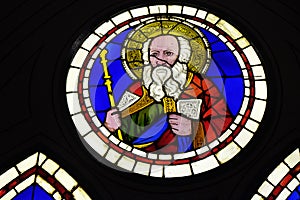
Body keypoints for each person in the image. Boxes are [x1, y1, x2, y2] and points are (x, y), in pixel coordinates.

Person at [104, 34, 233, 153]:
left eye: (168, 53)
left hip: (186, 160)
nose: (160, 60)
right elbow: (120, 132)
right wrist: (111, 126)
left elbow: (224, 125)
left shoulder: (201, 86)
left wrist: (194, 128)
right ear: (147, 58)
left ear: (182, 57)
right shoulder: (136, 88)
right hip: (139, 157)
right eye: (154, 54)